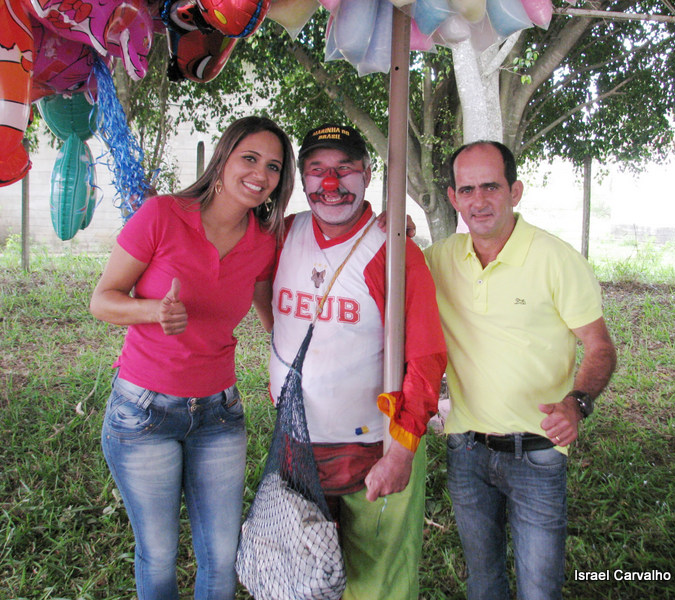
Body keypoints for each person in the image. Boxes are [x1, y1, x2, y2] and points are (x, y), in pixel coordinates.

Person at [89, 116, 295, 599]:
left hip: (219, 415)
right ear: (222, 160)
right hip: (144, 413)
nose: (260, 174)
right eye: (250, 158)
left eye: (273, 167)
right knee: (158, 554)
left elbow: (271, 312)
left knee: (221, 557)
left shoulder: (264, 241)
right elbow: (101, 299)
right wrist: (151, 311)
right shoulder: (162, 215)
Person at [424, 141, 617, 600]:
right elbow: (384, 274)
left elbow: (600, 348)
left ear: (515, 190)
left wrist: (578, 402)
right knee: (484, 582)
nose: (479, 200)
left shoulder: (556, 259)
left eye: (491, 186)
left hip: (538, 454)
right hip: (466, 450)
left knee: (538, 589)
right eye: (467, 189)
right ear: (453, 198)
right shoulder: (440, 260)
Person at [261, 123, 447, 599]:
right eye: (318, 170)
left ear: (368, 175)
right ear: (302, 180)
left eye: (344, 169)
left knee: (376, 585)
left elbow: (425, 356)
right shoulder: (282, 235)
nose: (331, 184)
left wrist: (402, 451)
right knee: (305, 574)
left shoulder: (393, 250)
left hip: (376, 450)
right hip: (297, 443)